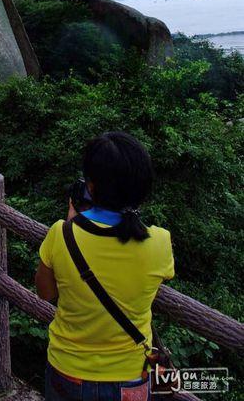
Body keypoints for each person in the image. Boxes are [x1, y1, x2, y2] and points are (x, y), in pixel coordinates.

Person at [35, 131, 174, 401]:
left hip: (68, 372)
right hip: (131, 377)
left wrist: (73, 224)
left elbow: (45, 292)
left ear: (91, 186)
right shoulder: (160, 242)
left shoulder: (61, 234)